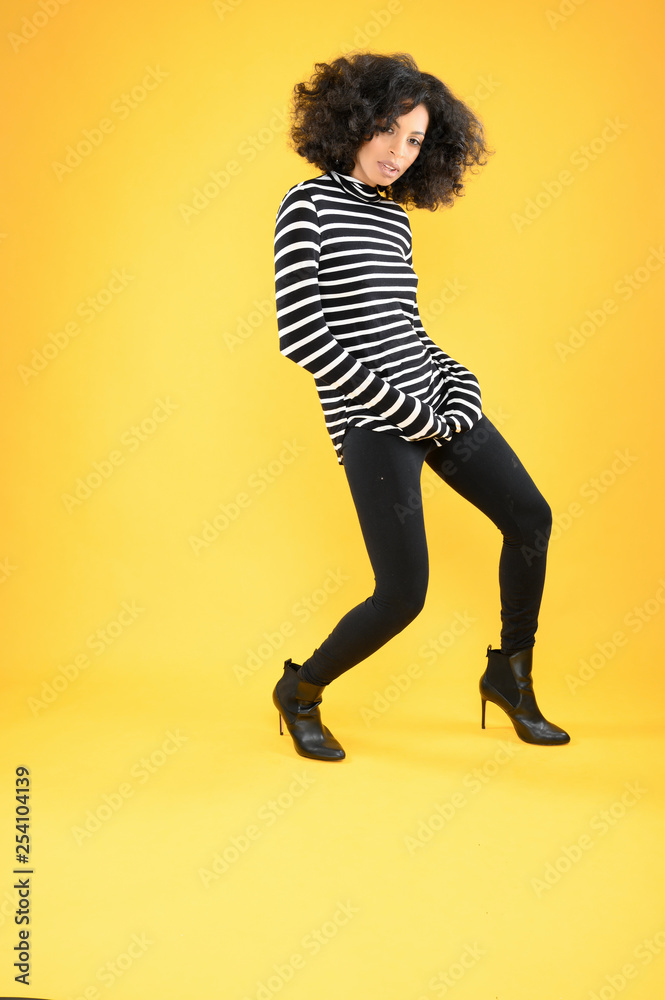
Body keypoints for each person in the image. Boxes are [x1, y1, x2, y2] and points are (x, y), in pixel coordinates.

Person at [271, 51, 570, 761]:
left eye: (414, 141)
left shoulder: (394, 221)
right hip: (373, 422)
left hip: (432, 404)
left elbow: (405, 330)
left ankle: (510, 675)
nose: (399, 153)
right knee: (402, 595)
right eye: (388, 131)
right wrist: (406, 414)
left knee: (529, 517)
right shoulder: (306, 204)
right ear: (351, 121)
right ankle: (301, 690)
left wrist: (456, 383)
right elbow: (301, 332)